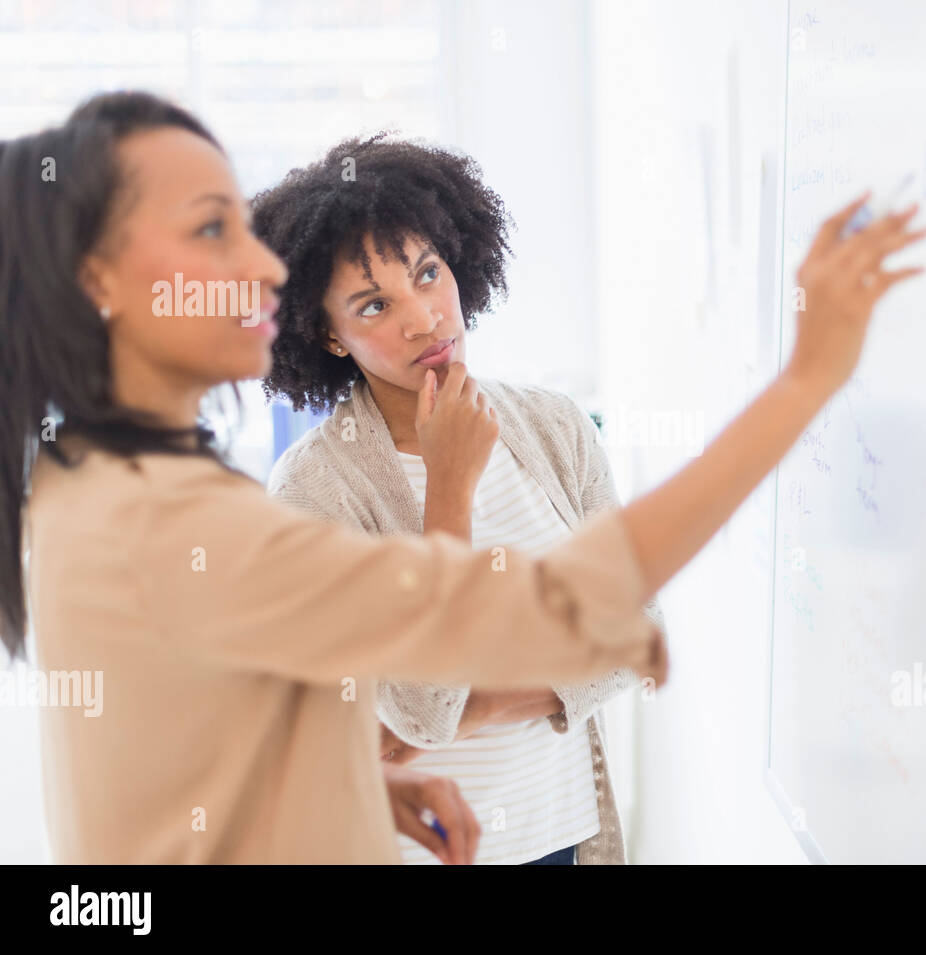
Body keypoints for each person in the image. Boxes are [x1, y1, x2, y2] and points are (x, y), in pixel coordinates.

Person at [0, 92, 926, 863]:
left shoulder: (101, 486)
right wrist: (806, 380)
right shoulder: (198, 515)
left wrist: (365, 781)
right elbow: (533, 620)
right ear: (99, 285)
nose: (256, 270)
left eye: (428, 274)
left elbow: (235, 738)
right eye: (211, 230)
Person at [251, 134, 668, 864]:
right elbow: (422, 702)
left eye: (427, 273)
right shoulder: (313, 490)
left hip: (562, 838)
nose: (424, 317)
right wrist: (448, 488)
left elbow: (638, 636)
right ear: (330, 335)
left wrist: (483, 702)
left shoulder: (553, 427)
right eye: (375, 303)